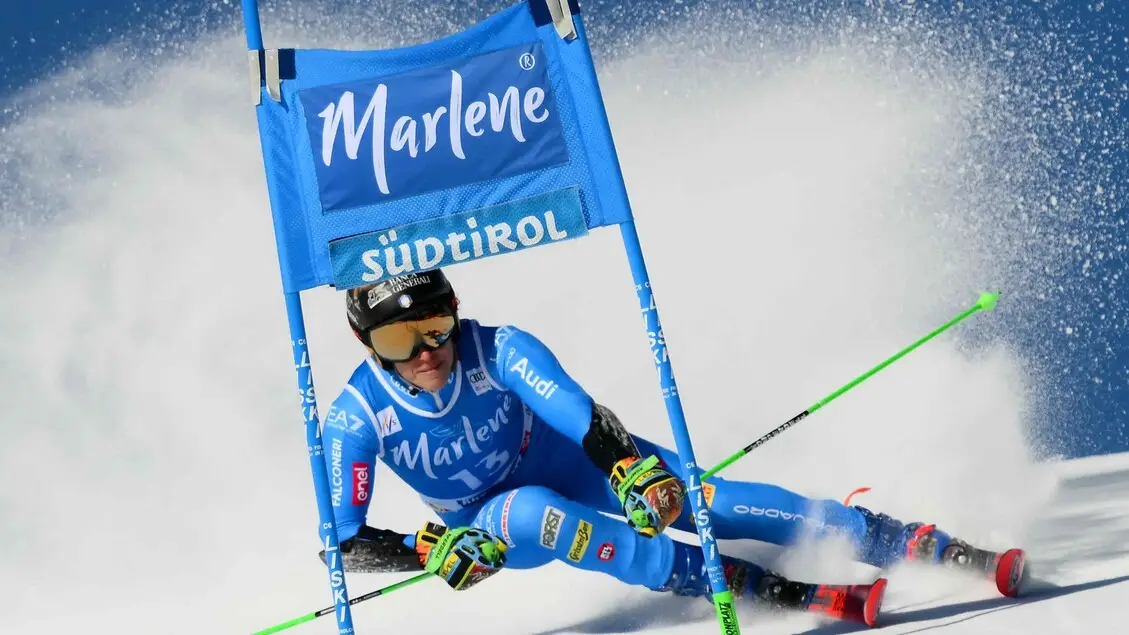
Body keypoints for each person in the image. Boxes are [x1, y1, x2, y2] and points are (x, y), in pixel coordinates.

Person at [318, 269, 1023, 627]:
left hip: (569, 456)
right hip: (489, 523)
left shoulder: (497, 347)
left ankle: (894, 537)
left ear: (455, 313)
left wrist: (629, 469)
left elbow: (579, 414)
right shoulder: (356, 417)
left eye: (436, 327)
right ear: (365, 343)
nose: (426, 351)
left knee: (712, 502)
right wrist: (428, 550)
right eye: (398, 340)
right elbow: (342, 544)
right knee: (538, 514)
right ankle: (740, 583)